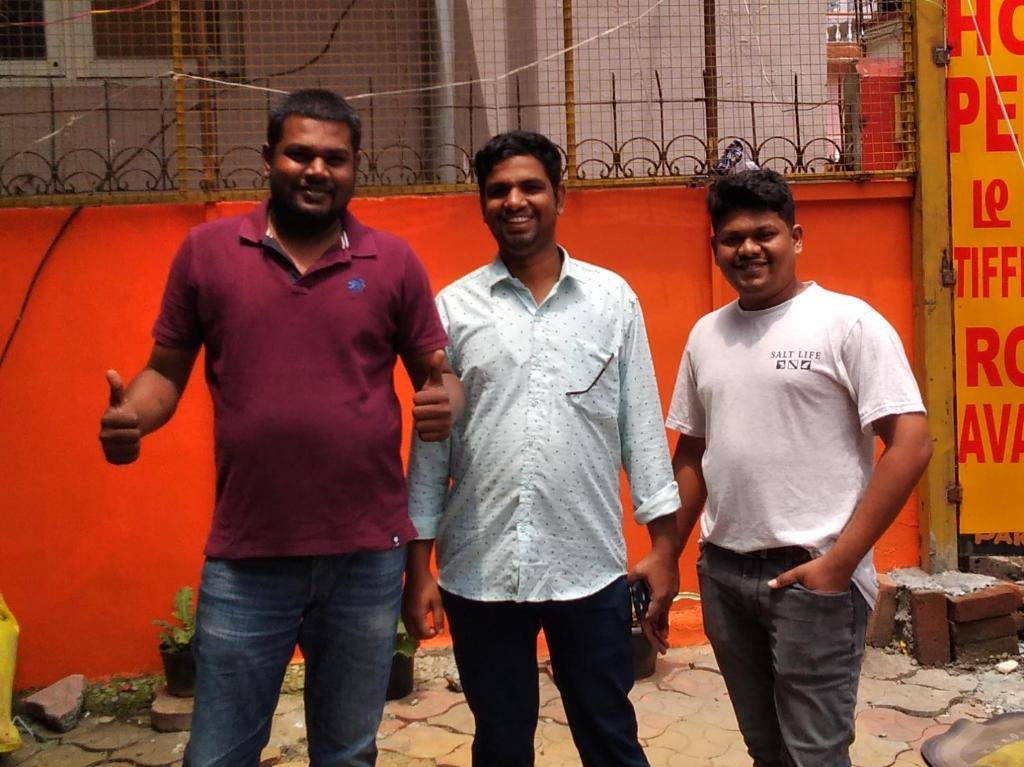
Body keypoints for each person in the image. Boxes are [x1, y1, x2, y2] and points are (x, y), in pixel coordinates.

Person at [98, 88, 460, 767]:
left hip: (365, 555)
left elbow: (439, 379)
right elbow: (164, 374)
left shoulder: (393, 262)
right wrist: (132, 419)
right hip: (248, 556)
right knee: (218, 754)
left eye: (335, 158)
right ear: (268, 158)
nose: (316, 170)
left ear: (356, 167)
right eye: (299, 154)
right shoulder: (208, 252)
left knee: (347, 752)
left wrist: (446, 404)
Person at [403, 130, 682, 767]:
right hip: (480, 569)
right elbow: (431, 451)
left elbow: (642, 433)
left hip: (588, 566)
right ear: (482, 204)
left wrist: (664, 551)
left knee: (610, 737)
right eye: (498, 190)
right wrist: (419, 569)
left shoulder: (612, 301)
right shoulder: (453, 309)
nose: (515, 201)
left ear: (560, 196)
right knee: (501, 744)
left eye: (531, 187)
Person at [667, 169, 932, 767]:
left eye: (765, 234)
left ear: (796, 236)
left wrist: (839, 564)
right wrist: (667, 556)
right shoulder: (707, 334)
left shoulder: (847, 322)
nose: (748, 249)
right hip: (724, 574)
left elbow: (911, 443)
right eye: (732, 238)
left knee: (815, 754)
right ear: (715, 247)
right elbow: (692, 453)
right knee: (765, 748)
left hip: (811, 577)